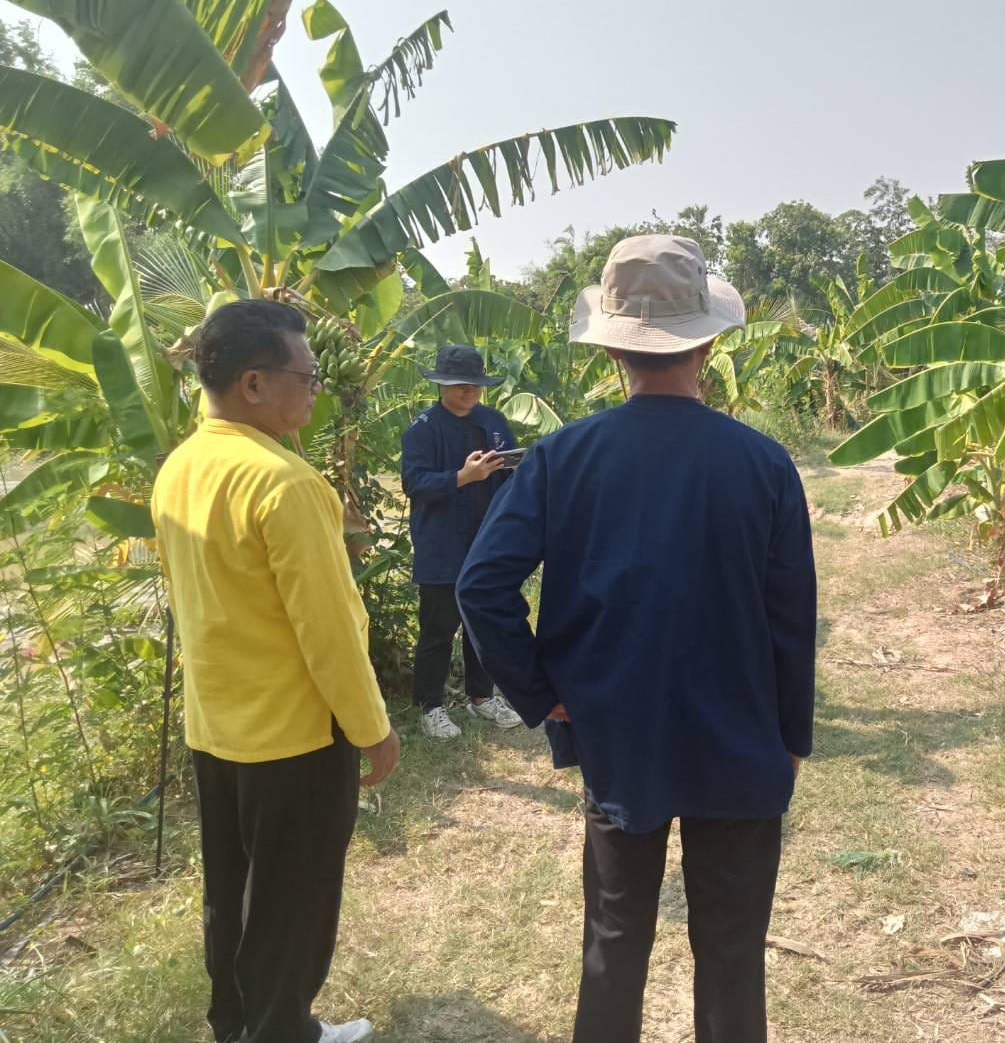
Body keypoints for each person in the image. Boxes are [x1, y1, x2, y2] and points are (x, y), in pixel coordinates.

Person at [457, 235, 818, 1043]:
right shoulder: (762, 463)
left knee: (615, 938)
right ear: (710, 342)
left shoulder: (560, 457)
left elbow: (482, 587)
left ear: (613, 345)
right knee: (730, 948)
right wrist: (791, 732)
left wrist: (543, 694)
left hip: (616, 731)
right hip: (741, 734)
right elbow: (792, 616)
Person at [152, 300, 401, 1043]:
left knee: (232, 893)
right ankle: (280, 1031)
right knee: (292, 901)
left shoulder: (181, 466)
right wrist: (372, 729)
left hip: (218, 724)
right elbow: (327, 632)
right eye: (309, 373)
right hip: (293, 733)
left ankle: (240, 1022)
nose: (316, 386)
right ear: (254, 384)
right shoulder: (282, 484)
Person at [400, 344, 522, 739]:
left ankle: (482, 697)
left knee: (481, 623)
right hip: (441, 542)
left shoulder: (494, 421)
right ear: (441, 385)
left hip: (487, 538)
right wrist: (462, 478)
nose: (469, 391)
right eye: (460, 384)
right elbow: (413, 483)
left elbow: (509, 468)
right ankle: (430, 705)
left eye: (475, 384)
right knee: (438, 628)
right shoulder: (424, 428)